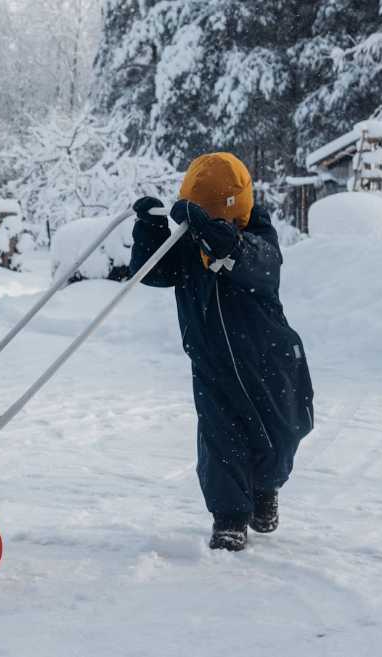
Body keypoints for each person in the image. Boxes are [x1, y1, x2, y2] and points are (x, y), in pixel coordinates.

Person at [130, 152, 314, 551]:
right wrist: (148, 229)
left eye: (222, 216)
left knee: (278, 436)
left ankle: (267, 489)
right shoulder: (187, 243)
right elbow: (153, 272)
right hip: (211, 363)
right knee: (220, 441)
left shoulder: (259, 237)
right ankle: (229, 517)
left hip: (268, 359)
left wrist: (219, 236)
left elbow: (260, 266)